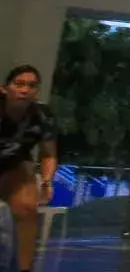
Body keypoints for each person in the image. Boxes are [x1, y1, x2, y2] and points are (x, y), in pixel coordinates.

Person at [0, 67, 55, 272]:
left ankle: (23, 268)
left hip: (13, 164)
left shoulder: (42, 115)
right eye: (19, 84)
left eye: (31, 86)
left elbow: (49, 154)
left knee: (26, 207)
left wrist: (47, 181)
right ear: (5, 89)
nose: (25, 90)